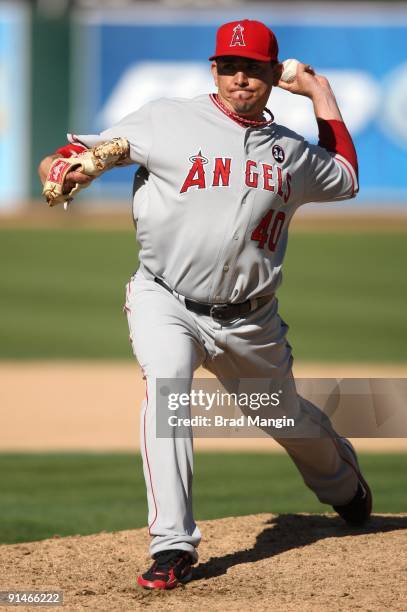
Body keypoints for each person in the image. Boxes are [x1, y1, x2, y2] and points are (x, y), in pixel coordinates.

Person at [39, 19, 372, 591]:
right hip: (164, 298)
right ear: (213, 69)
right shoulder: (165, 119)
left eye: (254, 68)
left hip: (250, 318)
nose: (240, 77)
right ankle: (172, 543)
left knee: (279, 415)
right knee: (167, 392)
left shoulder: (289, 154)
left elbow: (345, 176)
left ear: (273, 74)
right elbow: (83, 153)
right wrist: (62, 166)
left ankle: (342, 482)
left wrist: (321, 95)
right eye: (229, 66)